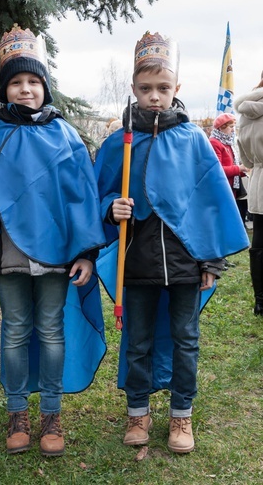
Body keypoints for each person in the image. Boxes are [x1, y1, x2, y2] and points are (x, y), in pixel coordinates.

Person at [0, 24, 106, 456]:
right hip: (9, 252)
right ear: (5, 89)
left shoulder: (65, 135)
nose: (25, 89)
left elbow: (81, 198)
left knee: (50, 330)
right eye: (16, 82)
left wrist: (86, 251)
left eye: (33, 81)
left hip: (56, 256)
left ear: (45, 86)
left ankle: (51, 413)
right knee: (13, 331)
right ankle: (16, 411)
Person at [94, 31, 249, 454]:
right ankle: (138, 412)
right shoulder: (118, 142)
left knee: (186, 339)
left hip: (185, 264)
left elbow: (209, 203)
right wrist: (112, 207)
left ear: (177, 88)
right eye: (146, 90)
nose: (155, 97)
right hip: (137, 262)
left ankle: (182, 415)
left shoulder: (193, 140)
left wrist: (211, 262)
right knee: (138, 341)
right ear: (133, 89)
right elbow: (99, 193)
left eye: (163, 89)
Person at [234, 72, 263, 316]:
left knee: (260, 244)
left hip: (258, 184)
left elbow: (244, 159)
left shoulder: (244, 115)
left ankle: (260, 301)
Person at [209, 113, 249, 226]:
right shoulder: (214, 143)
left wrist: (243, 171)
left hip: (231, 187)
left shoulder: (227, 143)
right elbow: (217, 170)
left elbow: (231, 165)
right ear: (221, 127)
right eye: (231, 127)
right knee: (223, 220)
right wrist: (239, 168)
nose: (233, 130)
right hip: (222, 188)